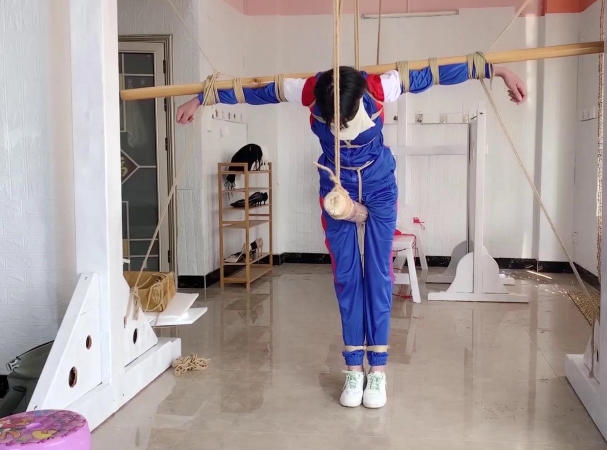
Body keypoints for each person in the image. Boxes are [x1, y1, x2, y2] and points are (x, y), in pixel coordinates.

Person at [176, 61, 527, 409]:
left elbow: (436, 73)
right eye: (334, 122)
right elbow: (255, 90)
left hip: (378, 188)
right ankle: (353, 368)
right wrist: (201, 99)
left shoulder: (379, 87)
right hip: (336, 189)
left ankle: (378, 369)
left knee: (378, 274)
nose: (340, 127)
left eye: (345, 119)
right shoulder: (309, 91)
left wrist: (499, 71)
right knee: (346, 276)